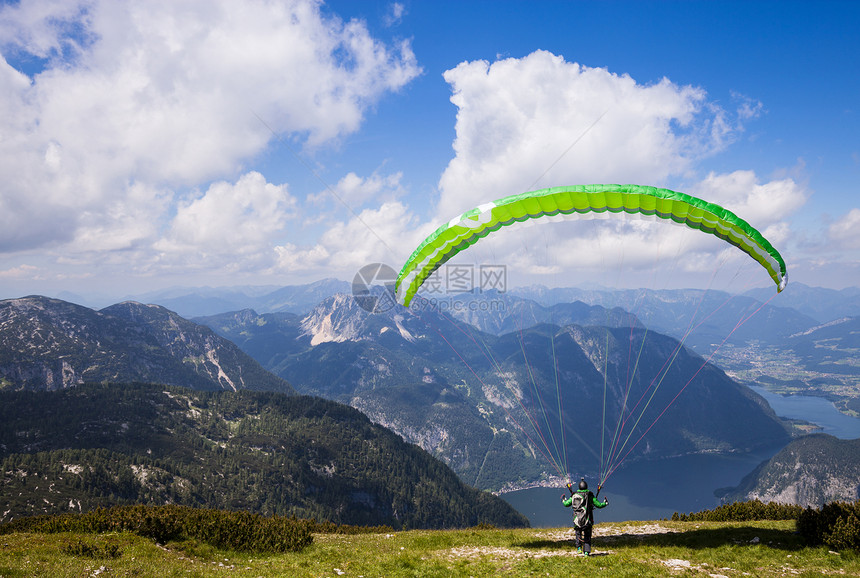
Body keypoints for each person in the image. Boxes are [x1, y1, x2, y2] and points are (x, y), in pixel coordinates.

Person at [561, 477, 608, 556]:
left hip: (577, 519)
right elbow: (599, 505)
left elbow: (566, 504)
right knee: (587, 535)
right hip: (587, 520)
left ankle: (579, 548)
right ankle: (586, 552)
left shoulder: (574, 495)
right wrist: (605, 503)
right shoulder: (589, 495)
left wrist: (563, 500)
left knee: (578, 533)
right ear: (586, 487)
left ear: (579, 487)